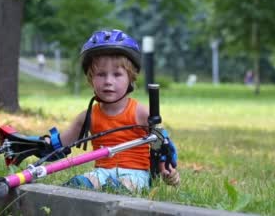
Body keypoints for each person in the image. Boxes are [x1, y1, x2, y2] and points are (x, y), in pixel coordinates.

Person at [30, 29, 180, 191]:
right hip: (101, 172)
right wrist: (32, 144)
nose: (108, 81)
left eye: (117, 74)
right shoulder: (88, 116)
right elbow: (59, 144)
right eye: (101, 74)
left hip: (136, 174)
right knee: (79, 183)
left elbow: (163, 146)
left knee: (123, 187)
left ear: (131, 78)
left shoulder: (141, 113)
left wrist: (169, 171)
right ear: (90, 78)